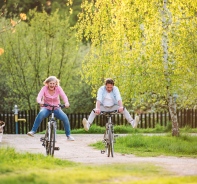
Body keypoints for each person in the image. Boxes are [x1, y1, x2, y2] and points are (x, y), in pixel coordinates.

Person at [27, 76, 74, 141]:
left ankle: (68, 135)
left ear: (55, 84)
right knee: (41, 114)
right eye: (50, 83)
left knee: (65, 118)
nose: (52, 85)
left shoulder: (58, 88)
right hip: (46, 107)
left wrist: (66, 103)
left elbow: (63, 96)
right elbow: (39, 96)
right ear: (47, 83)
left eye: (53, 83)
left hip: (56, 108)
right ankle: (33, 131)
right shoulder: (44, 88)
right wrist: (39, 101)